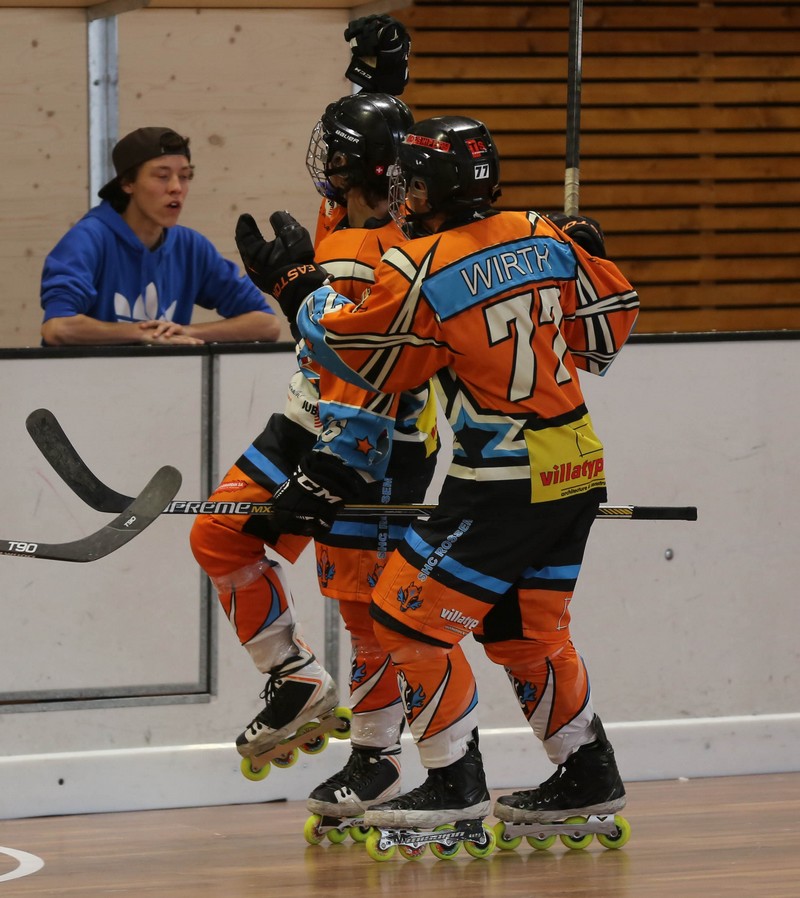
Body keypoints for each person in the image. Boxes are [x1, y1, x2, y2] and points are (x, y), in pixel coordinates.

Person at [258, 114, 640, 833]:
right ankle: (589, 773)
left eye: (409, 181)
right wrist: (589, 254)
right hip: (577, 465)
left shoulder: (419, 264)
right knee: (525, 633)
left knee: (400, 615)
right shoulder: (541, 231)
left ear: (432, 189)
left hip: (504, 477)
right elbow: (606, 334)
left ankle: (452, 781)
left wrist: (299, 288)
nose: (400, 194)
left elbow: (360, 356)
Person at [189, 91, 439, 823]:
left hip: (375, 438)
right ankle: (294, 675)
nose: (322, 161)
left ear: (357, 166)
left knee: (365, 613)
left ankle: (377, 758)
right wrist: (376, 77)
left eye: (335, 151)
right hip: (307, 416)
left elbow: (377, 359)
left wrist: (336, 466)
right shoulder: (341, 218)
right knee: (217, 533)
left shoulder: (404, 247)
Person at [40, 126, 280, 346]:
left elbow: (267, 324)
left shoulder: (191, 247)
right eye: (162, 176)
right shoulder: (88, 239)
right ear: (127, 183)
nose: (176, 187)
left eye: (184, 176)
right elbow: (57, 327)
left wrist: (186, 332)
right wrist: (140, 334)